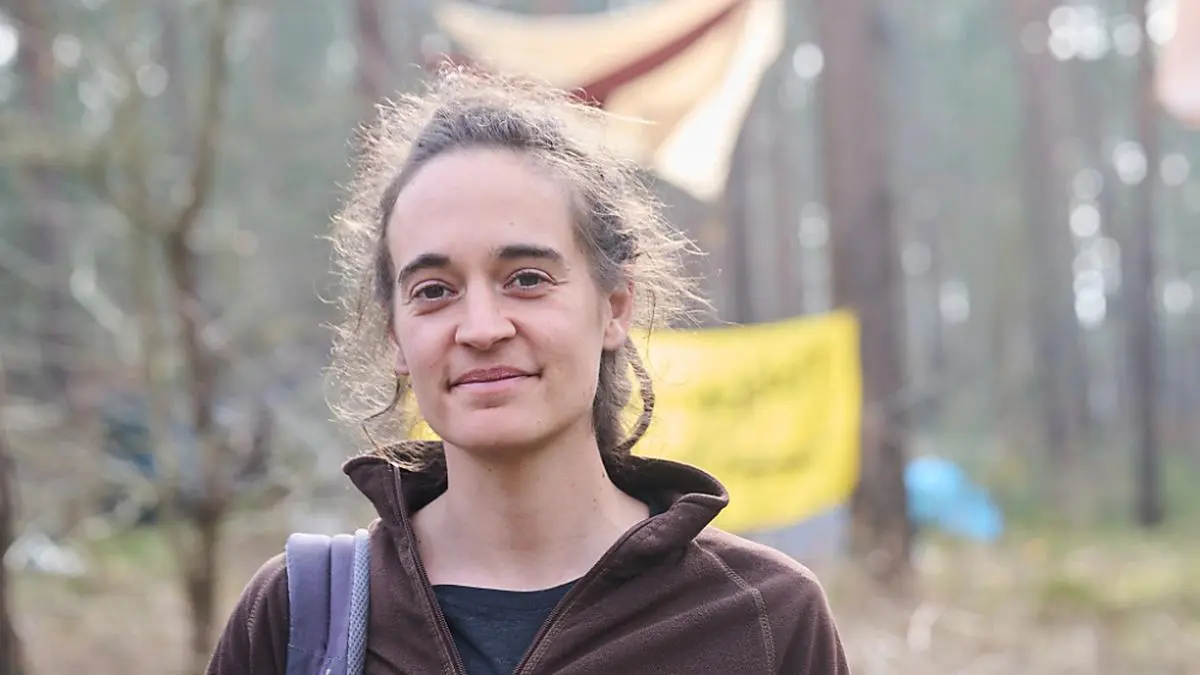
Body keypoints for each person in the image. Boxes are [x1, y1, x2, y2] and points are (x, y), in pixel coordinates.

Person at [206, 67, 849, 675]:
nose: (482, 328)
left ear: (614, 307)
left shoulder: (762, 619)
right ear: (395, 334)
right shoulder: (297, 618)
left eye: (526, 279)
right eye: (434, 290)